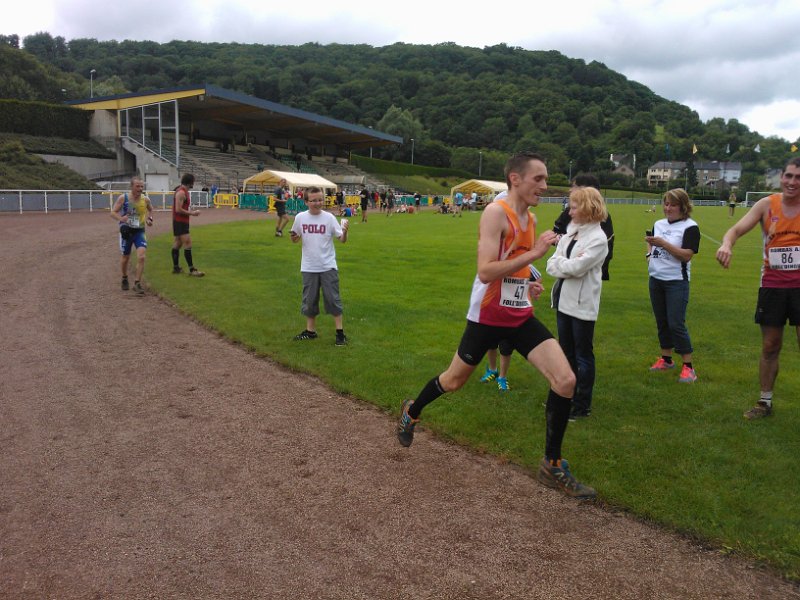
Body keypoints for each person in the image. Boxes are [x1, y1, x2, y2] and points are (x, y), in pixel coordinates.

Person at [397, 152, 595, 499]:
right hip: (487, 316)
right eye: (538, 178)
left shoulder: (531, 217)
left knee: (565, 380)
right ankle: (412, 412)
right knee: (453, 381)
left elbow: (513, 263)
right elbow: (486, 271)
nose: (545, 185)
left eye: (546, 179)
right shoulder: (495, 213)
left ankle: (551, 464)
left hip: (518, 315)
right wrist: (535, 255)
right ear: (515, 179)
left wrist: (528, 282)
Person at [716, 157, 800, 419]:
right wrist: (726, 244)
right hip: (772, 285)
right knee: (770, 345)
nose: (792, 182)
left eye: (798, 178)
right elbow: (735, 230)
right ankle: (764, 403)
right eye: (788, 176)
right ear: (781, 177)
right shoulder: (766, 205)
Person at [547, 186, 609, 419]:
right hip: (563, 301)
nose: (569, 212)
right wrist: (565, 266)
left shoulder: (598, 239)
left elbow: (578, 268)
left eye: (573, 207)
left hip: (583, 305)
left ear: (587, 208)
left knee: (582, 354)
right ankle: (566, 397)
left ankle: (582, 405)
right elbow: (552, 264)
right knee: (566, 353)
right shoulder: (571, 233)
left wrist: (564, 265)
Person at [645, 188, 700, 383]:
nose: (668, 208)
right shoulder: (658, 224)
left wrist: (663, 244)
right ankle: (666, 359)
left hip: (676, 281)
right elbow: (651, 242)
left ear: (683, 207)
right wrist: (649, 253)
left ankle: (689, 367)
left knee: (676, 323)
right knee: (662, 322)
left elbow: (686, 255)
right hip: (656, 279)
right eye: (666, 204)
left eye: (673, 205)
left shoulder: (690, 227)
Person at [290, 186, 350, 346]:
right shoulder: (300, 218)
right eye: (314, 200)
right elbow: (295, 238)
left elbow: (342, 240)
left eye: (320, 200)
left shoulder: (329, 218)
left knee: (333, 299)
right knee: (309, 301)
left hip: (328, 266)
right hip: (309, 266)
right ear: (306, 202)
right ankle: (310, 331)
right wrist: (294, 237)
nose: (317, 203)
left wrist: (345, 232)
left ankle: (340, 333)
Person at [479, 266, 544, 391]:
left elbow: (538, 277)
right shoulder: (496, 263)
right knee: (491, 343)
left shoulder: (523, 264)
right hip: (494, 310)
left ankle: (502, 377)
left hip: (511, 314)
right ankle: (492, 370)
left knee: (506, 347)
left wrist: (529, 289)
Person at [553, 174, 615, 281]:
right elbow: (551, 263)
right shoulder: (568, 212)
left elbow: (605, 248)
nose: (570, 190)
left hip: (587, 277)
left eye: (574, 186)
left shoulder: (602, 221)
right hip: (565, 275)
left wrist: (561, 263)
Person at [111, 177, 154, 295]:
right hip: (127, 232)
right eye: (137, 186)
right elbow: (113, 212)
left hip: (140, 231)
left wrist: (150, 220)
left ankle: (137, 283)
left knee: (142, 257)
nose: (140, 189)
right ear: (131, 187)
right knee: (125, 257)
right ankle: (124, 277)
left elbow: (151, 210)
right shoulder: (123, 198)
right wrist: (121, 219)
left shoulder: (145, 199)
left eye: (142, 186)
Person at [171, 173, 205, 277]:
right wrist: (192, 213)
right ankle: (192, 270)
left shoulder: (182, 191)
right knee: (188, 243)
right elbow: (178, 209)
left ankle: (176, 268)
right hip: (180, 221)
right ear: (190, 182)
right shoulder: (181, 192)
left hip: (179, 221)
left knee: (178, 243)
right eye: (193, 181)